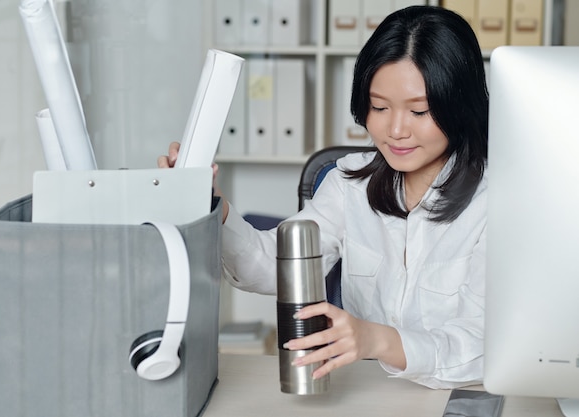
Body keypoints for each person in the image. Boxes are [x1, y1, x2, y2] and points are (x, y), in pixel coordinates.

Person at [159, 5, 488, 389]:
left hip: (460, 399)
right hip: (367, 393)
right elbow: (269, 267)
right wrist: (214, 204)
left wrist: (376, 339)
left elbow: (482, 345)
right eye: (379, 107)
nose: (396, 130)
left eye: (420, 111)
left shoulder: (499, 202)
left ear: (459, 107)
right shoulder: (349, 183)